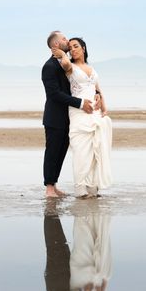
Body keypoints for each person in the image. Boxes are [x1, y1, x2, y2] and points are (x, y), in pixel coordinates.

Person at [52, 37, 112, 198]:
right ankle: (80, 188)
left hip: (95, 112)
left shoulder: (91, 68)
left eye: (76, 46)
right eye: (70, 48)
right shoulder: (69, 66)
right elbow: (64, 64)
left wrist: (103, 105)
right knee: (81, 150)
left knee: (95, 148)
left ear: (84, 48)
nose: (73, 50)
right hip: (79, 112)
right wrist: (61, 54)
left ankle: (92, 187)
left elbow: (97, 88)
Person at [41, 31, 98, 198]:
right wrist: (80, 103)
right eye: (64, 39)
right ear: (56, 45)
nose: (68, 40)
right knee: (52, 152)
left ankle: (54, 184)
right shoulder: (49, 66)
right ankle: (49, 188)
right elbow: (54, 94)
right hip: (55, 117)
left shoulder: (67, 63)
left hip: (69, 117)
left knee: (61, 152)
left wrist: (97, 95)